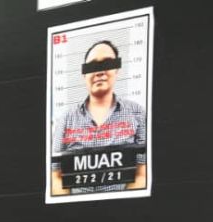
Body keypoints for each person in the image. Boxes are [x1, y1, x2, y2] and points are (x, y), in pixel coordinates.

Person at [50, 39, 147, 195]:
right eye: (93, 66)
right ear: (84, 74)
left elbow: (142, 174)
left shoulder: (138, 113)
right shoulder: (65, 119)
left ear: (117, 70)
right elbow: (56, 177)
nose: (100, 72)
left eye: (108, 64)